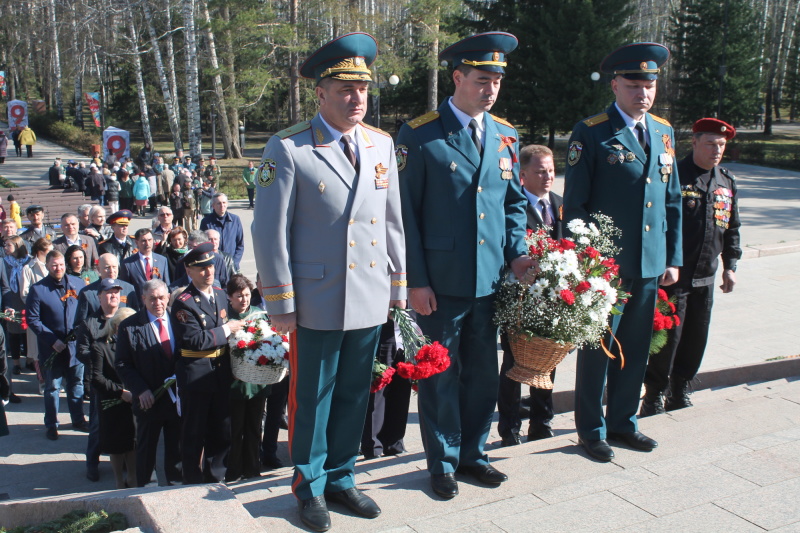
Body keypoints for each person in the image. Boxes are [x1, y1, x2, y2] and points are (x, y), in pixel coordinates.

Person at [254, 33, 406, 531]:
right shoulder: (290, 147)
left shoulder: (381, 144)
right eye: (344, 89)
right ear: (320, 93)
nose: (356, 98)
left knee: (353, 393)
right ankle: (310, 486)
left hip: (366, 295)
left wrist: (397, 289)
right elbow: (268, 231)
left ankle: (343, 477)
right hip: (314, 297)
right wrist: (279, 302)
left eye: (362, 89)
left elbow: (391, 223)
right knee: (312, 396)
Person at [396, 32, 531, 499]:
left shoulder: (506, 135)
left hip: (491, 281)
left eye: (496, 80)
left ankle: (474, 454)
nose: (490, 89)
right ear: (457, 78)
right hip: (441, 284)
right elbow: (405, 215)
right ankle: (443, 463)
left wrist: (516, 254)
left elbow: (513, 205)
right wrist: (415, 281)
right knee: (439, 375)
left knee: (481, 375)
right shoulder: (420, 133)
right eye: (480, 79)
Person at [563, 42, 682, 462]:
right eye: (634, 84)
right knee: (598, 351)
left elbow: (671, 201)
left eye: (649, 85)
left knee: (634, 346)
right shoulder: (593, 131)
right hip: (605, 269)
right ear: (615, 84)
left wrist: (672, 258)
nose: (643, 93)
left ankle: (624, 423)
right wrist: (581, 263)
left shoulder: (663, 132)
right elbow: (574, 205)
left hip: (649, 263)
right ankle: (591, 430)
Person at [640, 118, 742, 416]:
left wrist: (730, 266)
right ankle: (654, 394)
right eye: (710, 143)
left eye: (721, 145)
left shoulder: (726, 181)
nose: (716, 150)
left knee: (696, 339)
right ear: (694, 142)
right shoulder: (674, 175)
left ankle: (680, 388)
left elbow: (731, 228)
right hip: (674, 279)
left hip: (705, 278)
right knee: (667, 342)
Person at [497, 144, 564, 446]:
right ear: (522, 175)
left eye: (550, 170)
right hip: (520, 299)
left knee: (549, 359)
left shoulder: (562, 205)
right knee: (514, 364)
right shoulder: (512, 209)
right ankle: (509, 428)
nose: (547, 176)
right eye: (539, 171)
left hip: (554, 301)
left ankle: (542, 422)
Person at [172, 243, 244, 484]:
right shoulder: (184, 303)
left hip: (220, 373)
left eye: (211, 266)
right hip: (196, 375)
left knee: (221, 431)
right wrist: (226, 329)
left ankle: (216, 478)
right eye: (201, 268)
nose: (208, 272)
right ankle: (191, 480)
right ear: (189, 270)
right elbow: (194, 340)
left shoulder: (221, 294)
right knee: (194, 432)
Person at [116, 279, 182, 487]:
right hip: (148, 400)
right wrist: (140, 390)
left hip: (177, 400)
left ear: (168, 297)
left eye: (161, 298)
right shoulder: (130, 327)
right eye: (152, 298)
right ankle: (145, 487)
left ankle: (176, 484)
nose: (158, 303)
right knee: (146, 449)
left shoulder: (180, 321)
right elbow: (122, 363)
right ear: (143, 299)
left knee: (177, 448)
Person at [26, 250, 86, 440]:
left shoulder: (78, 284)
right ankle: (51, 423)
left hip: (75, 347)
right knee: (53, 387)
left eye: (60, 264)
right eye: (54, 265)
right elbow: (33, 319)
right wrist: (52, 340)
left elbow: (84, 311)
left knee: (76, 384)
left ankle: (77, 419)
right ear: (48, 266)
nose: (58, 268)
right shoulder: (38, 289)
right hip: (52, 347)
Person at [84, 282, 137, 488]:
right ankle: (118, 480)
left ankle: (132, 477)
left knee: (132, 442)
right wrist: (120, 392)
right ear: (117, 327)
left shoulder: (133, 346)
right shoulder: (100, 346)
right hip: (112, 402)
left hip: (132, 400)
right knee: (116, 445)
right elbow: (96, 378)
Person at [225, 274, 271, 482]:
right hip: (234, 382)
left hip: (256, 381)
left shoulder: (258, 315)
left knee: (254, 426)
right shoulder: (226, 318)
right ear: (230, 297)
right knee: (235, 428)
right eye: (238, 296)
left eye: (246, 295)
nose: (243, 300)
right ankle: (233, 470)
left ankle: (253, 468)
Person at [75, 253, 140, 327]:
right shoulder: (87, 293)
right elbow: (79, 325)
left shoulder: (129, 288)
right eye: (107, 267)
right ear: (99, 269)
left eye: (114, 267)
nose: (111, 271)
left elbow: (136, 316)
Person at [1, 236, 30, 380]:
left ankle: (29, 360)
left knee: (27, 332)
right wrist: (7, 305)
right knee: (14, 333)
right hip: (12, 300)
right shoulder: (4, 262)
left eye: (8, 246)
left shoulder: (29, 261)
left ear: (18, 246)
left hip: (26, 300)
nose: (5, 248)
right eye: (5, 245)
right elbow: (5, 284)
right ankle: (16, 362)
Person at [119, 228, 171, 298]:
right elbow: (125, 288)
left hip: (158, 302)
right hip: (138, 304)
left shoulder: (162, 260)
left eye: (149, 240)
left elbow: (166, 284)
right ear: (137, 243)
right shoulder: (128, 263)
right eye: (143, 241)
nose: (147, 243)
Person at [200, 193, 244, 269]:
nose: (222, 205)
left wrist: (234, 262)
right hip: (213, 265)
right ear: (213, 206)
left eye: (224, 203)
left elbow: (240, 244)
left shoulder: (235, 220)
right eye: (218, 203)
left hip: (232, 265)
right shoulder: (206, 222)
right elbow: (202, 244)